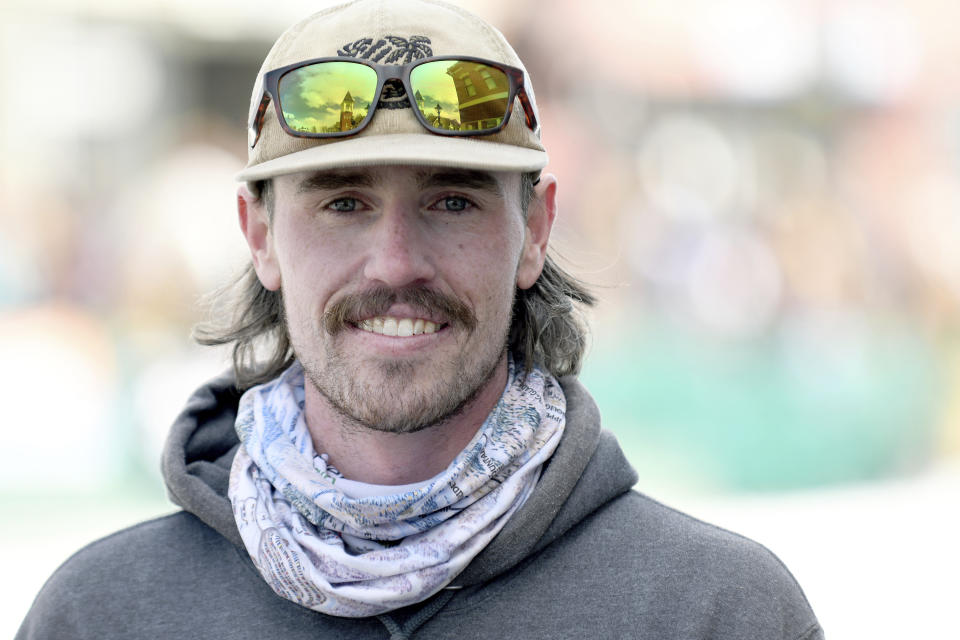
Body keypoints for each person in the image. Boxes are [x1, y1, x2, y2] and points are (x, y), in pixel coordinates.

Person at [17, 1, 823, 638]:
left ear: (535, 231)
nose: (396, 262)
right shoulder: (102, 616)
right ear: (259, 235)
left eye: (450, 200)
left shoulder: (720, 614)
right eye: (343, 203)